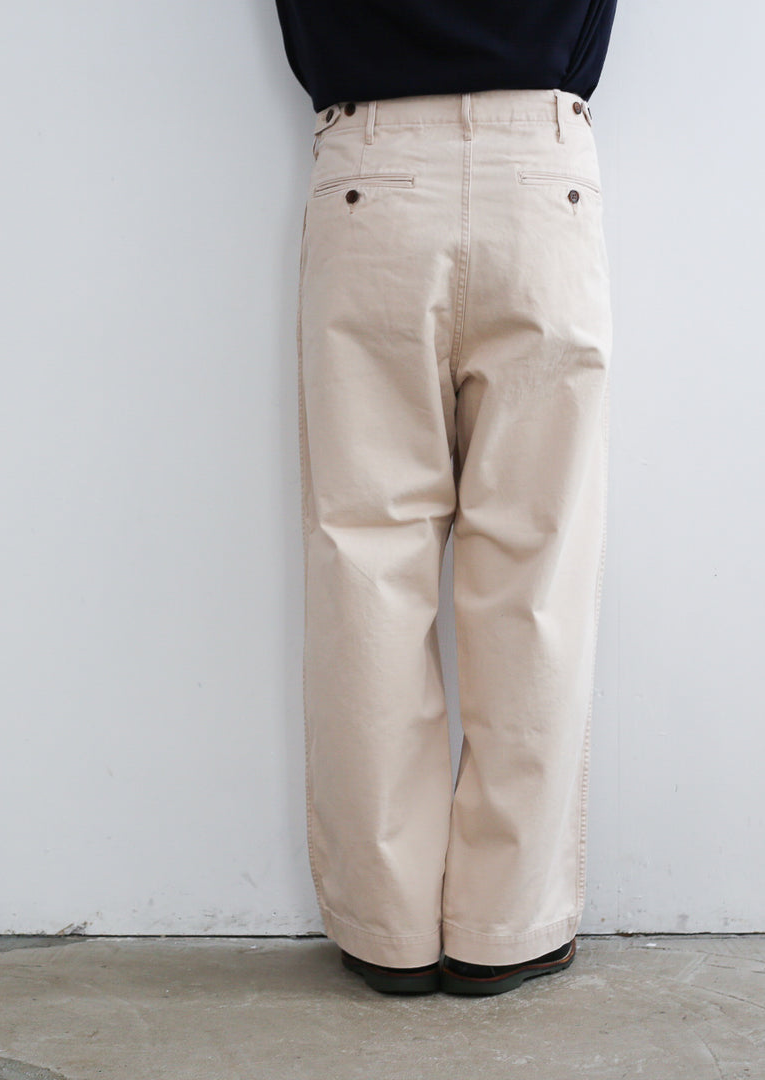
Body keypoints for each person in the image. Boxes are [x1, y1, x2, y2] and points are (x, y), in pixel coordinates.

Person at [275, 0, 619, 997]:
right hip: (540, 175)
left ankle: (386, 929)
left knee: (367, 569)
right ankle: (507, 928)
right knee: (536, 577)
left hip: (370, 178)